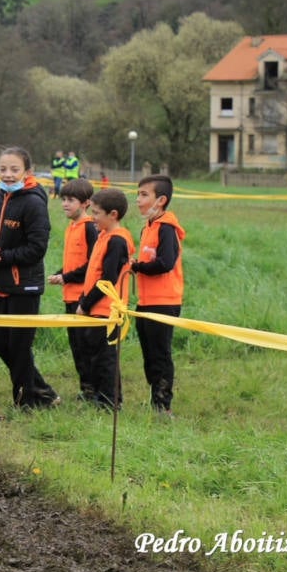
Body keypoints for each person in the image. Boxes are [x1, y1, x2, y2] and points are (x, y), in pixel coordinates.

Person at [0, 147, 59, 409]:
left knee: (20, 349)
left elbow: (37, 248)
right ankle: (44, 392)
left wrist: (2, 257)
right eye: (3, 169)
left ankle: (25, 403)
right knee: (2, 345)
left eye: (14, 170)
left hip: (25, 286)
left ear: (27, 172)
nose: (8, 175)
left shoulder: (34, 203)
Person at [74, 188, 135, 410]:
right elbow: (93, 274)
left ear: (113, 215)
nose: (93, 218)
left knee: (106, 358)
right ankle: (100, 396)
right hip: (96, 308)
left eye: (97, 213)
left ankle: (110, 402)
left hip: (108, 310)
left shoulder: (117, 240)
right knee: (95, 356)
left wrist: (84, 303)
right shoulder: (104, 236)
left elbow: (108, 279)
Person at [130, 175, 185, 416]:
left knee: (160, 355)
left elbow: (165, 263)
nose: (138, 200)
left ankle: (163, 405)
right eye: (138, 194)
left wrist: (138, 266)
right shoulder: (148, 227)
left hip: (164, 302)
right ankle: (155, 400)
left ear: (160, 200)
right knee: (149, 354)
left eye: (144, 195)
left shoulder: (167, 227)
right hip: (145, 300)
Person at [47, 178, 97, 400]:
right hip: (69, 296)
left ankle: (96, 391)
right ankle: (86, 389)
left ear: (86, 203)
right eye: (63, 199)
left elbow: (92, 266)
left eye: (71, 200)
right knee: (76, 347)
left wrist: (65, 277)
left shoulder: (90, 228)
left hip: (84, 299)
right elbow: (73, 263)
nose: (65, 204)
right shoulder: (71, 227)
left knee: (87, 348)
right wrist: (61, 274)